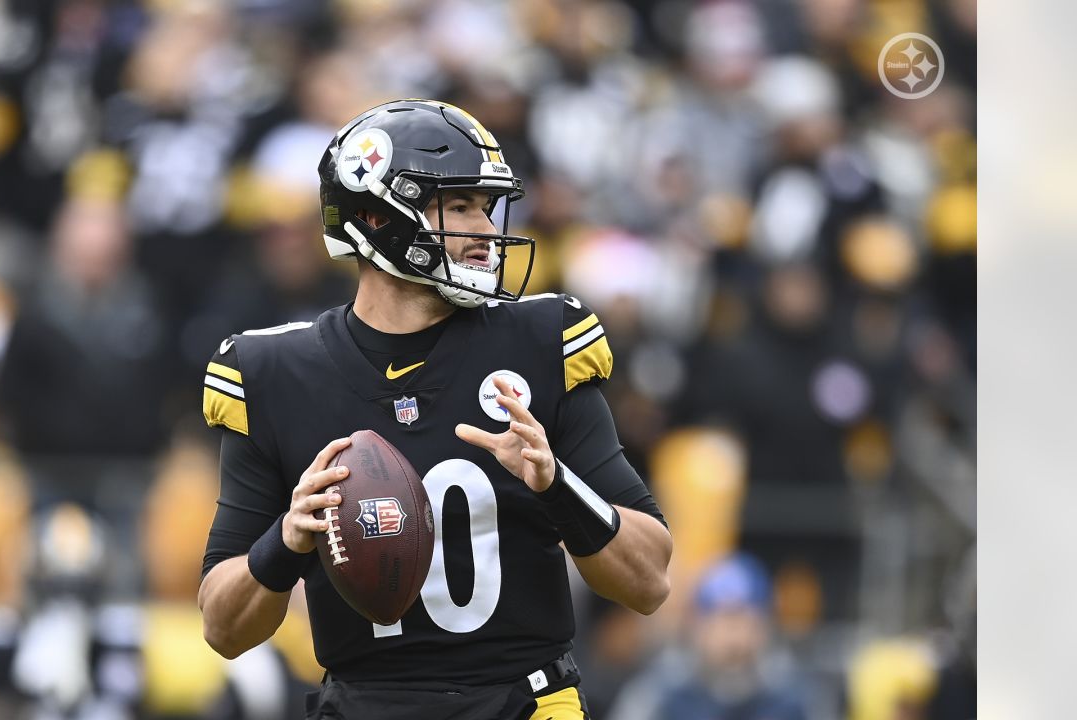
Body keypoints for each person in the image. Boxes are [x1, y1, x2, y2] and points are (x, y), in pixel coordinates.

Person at [197, 99, 673, 720]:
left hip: (524, 703)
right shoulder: (274, 375)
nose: (485, 228)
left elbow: (650, 581)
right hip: (363, 704)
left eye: (486, 205)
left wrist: (559, 487)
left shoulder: (540, 341)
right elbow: (222, 628)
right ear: (378, 217)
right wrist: (286, 541)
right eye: (458, 206)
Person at [607, 553, 810, 720]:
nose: (734, 637)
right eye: (722, 620)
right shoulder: (660, 693)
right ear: (697, 625)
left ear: (765, 625)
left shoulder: (794, 698)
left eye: (744, 619)